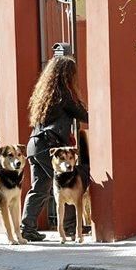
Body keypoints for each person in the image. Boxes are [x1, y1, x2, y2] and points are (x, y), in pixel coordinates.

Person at [20, 55, 88, 242]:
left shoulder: (45, 94)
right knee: (66, 183)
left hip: (34, 145)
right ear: (67, 75)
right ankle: (70, 230)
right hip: (50, 147)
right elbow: (83, 115)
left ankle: (27, 228)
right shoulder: (63, 95)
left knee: (40, 186)